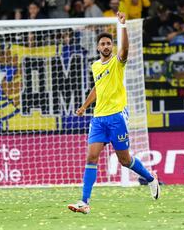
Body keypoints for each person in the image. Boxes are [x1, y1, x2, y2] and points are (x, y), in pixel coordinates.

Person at [68, 12, 161, 214]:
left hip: (117, 117)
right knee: (91, 157)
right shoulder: (94, 66)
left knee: (125, 161)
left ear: (112, 45)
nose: (106, 46)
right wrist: (84, 106)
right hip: (98, 118)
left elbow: (125, 49)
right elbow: (97, 87)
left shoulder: (117, 62)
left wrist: (123, 26)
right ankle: (84, 202)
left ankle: (151, 179)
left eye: (109, 43)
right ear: (97, 47)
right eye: (102, 44)